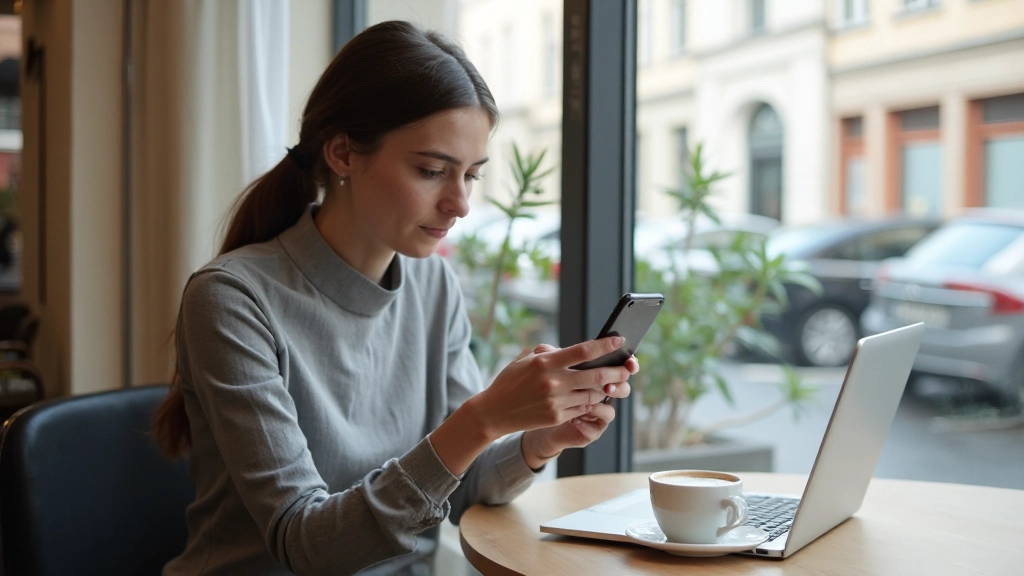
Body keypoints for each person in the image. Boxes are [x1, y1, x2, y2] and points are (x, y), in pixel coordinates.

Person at [153, 20, 638, 576]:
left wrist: (539, 441)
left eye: (472, 176)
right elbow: (306, 546)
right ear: (342, 154)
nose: (459, 203)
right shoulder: (232, 299)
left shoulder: (434, 286)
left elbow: (463, 484)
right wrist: (481, 419)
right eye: (432, 170)